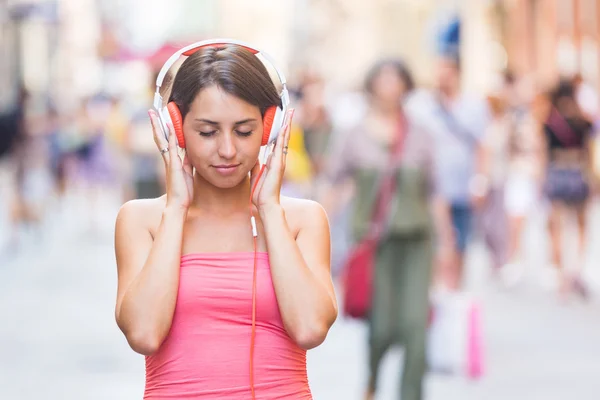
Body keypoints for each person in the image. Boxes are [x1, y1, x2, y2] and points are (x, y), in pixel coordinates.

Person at [113, 43, 337, 399]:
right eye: (207, 132)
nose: (228, 150)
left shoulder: (302, 220)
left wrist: (269, 210)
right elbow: (143, 334)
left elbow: (310, 328)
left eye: (245, 132)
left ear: (270, 128)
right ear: (177, 130)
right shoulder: (143, 220)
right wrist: (175, 209)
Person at [325, 59, 453, 400]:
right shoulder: (353, 134)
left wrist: (447, 246)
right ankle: (372, 380)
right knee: (379, 325)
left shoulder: (421, 134)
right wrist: (315, 234)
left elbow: (435, 192)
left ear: (406, 85)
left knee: (415, 326)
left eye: (396, 78)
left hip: (416, 242)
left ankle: (411, 394)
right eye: (382, 78)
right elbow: (335, 185)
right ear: (370, 85)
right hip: (372, 243)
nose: (389, 85)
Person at [542, 79, 593, 298]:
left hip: (557, 172)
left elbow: (544, 154)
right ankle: (576, 269)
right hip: (578, 173)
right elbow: (588, 153)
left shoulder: (549, 122)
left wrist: (543, 179)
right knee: (580, 225)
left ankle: (563, 274)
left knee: (558, 226)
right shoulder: (583, 120)